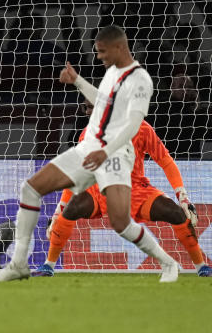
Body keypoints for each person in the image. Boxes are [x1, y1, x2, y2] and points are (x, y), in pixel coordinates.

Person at [0, 26, 181, 283]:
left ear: (119, 48)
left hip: (116, 152)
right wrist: (78, 81)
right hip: (90, 146)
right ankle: (18, 264)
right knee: (30, 188)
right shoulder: (113, 73)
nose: (99, 57)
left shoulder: (141, 80)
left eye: (102, 52)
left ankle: (168, 262)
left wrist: (106, 152)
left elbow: (132, 123)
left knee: (121, 223)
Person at [35, 96, 209, 277]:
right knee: (70, 210)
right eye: (85, 107)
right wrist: (59, 210)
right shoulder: (88, 134)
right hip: (99, 190)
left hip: (136, 191)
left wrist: (182, 196)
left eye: (90, 107)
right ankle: (49, 265)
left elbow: (165, 161)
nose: (87, 112)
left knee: (176, 213)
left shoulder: (140, 128)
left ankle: (201, 266)